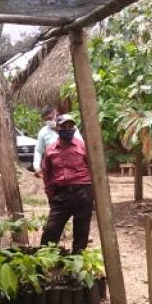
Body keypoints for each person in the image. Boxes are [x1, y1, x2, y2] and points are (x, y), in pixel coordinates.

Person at [40, 114, 93, 254]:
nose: (68, 129)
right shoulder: (51, 150)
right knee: (51, 230)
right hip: (61, 194)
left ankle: (77, 261)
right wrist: (51, 196)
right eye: (64, 126)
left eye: (71, 126)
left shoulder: (82, 147)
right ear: (57, 128)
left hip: (83, 191)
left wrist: (90, 193)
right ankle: (46, 260)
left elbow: (93, 168)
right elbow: (47, 174)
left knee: (81, 231)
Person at [34, 106, 82, 177]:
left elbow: (81, 145)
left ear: (57, 115)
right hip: (55, 171)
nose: (48, 121)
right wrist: (37, 167)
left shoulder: (71, 128)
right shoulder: (43, 132)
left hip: (74, 168)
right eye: (46, 120)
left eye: (50, 118)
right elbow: (38, 150)